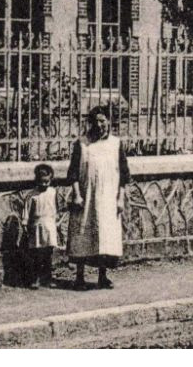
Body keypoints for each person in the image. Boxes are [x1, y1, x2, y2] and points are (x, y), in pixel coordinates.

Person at [66, 105, 132, 290]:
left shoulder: (115, 144)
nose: (99, 125)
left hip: (108, 198)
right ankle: (79, 277)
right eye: (95, 121)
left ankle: (102, 276)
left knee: (105, 236)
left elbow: (124, 174)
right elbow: (72, 173)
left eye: (102, 121)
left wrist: (120, 199)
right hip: (86, 197)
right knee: (82, 235)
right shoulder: (82, 144)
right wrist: (77, 194)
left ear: (109, 121)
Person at [21, 163, 67, 288]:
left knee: (48, 254)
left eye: (47, 182)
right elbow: (26, 211)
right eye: (42, 182)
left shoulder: (53, 192)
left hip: (49, 226)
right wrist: (25, 224)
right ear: (37, 180)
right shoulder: (32, 195)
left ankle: (47, 278)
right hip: (37, 226)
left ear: (51, 180)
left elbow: (56, 209)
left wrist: (57, 222)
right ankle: (35, 279)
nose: (45, 184)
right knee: (36, 254)